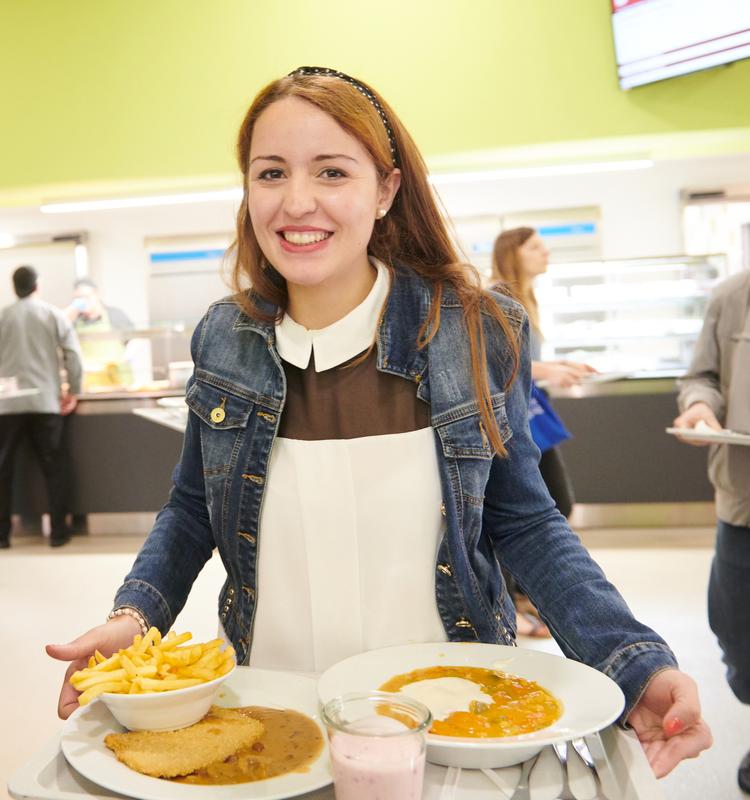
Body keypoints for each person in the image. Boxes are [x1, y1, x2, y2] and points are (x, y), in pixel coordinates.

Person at [47, 66, 710, 777]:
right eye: (270, 173)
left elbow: (524, 523)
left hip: (453, 724)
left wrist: (633, 662)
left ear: (386, 189)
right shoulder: (225, 338)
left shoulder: (474, 329)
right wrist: (134, 620)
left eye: (332, 172)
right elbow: (190, 512)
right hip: (275, 716)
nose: (296, 202)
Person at [491, 227, 595, 636]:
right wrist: (551, 370)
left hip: (530, 417)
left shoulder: (528, 300)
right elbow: (499, 362)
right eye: (535, 246)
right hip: (512, 424)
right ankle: (514, 599)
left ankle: (522, 592)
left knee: (554, 503)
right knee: (533, 506)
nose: (546, 252)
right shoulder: (501, 297)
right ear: (512, 254)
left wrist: (559, 366)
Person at [672, 269, 750, 793]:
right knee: (738, 633)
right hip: (743, 503)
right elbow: (702, 376)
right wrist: (700, 406)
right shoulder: (733, 295)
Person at [0, 265, 82, 548]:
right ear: (37, 285)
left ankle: (2, 536)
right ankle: (58, 533)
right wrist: (73, 390)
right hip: (45, 401)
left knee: (3, 470)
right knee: (54, 468)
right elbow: (72, 354)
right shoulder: (53, 314)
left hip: (7, 405)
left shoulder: (2, 316)